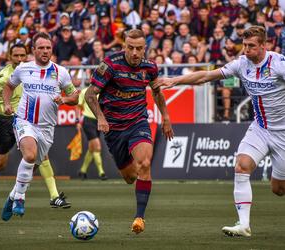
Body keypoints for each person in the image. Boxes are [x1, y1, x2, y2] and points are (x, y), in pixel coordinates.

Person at [153, 25, 285, 237]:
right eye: (244, 45)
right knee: (241, 166)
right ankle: (243, 225)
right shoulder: (242, 64)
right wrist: (174, 80)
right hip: (259, 129)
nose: (246, 50)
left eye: (251, 46)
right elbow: (205, 76)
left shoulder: (278, 64)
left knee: (278, 190)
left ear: (264, 45)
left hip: (283, 134)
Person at [85, 29, 174, 234]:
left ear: (145, 48)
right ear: (124, 46)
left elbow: (157, 92)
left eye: (139, 49)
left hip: (138, 122)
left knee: (144, 163)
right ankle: (134, 174)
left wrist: (166, 118)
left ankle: (139, 218)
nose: (135, 53)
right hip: (114, 129)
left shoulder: (150, 67)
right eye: (130, 48)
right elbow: (90, 94)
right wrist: (100, 116)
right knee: (129, 177)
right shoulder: (109, 64)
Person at [0, 32, 79, 221]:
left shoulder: (61, 72)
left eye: (48, 48)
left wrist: (65, 99)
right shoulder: (23, 69)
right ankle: (20, 198)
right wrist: (7, 103)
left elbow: (75, 97)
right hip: (24, 120)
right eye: (41, 48)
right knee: (29, 155)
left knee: (32, 165)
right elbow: (8, 86)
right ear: (33, 50)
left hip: (47, 129)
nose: (45, 51)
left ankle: (12, 195)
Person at [0, 43, 71, 212]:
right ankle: (15, 196)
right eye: (15, 56)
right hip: (6, 121)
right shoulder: (5, 75)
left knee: (38, 157)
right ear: (9, 57)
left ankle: (53, 196)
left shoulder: (33, 70)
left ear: (27, 55)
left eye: (22, 55)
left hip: (27, 121)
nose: (19, 59)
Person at [76, 86, 108, 181]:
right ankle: (101, 172)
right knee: (97, 147)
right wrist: (78, 121)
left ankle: (82, 171)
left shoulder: (103, 92)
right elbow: (78, 107)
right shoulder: (84, 91)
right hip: (88, 121)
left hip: (98, 121)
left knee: (92, 148)